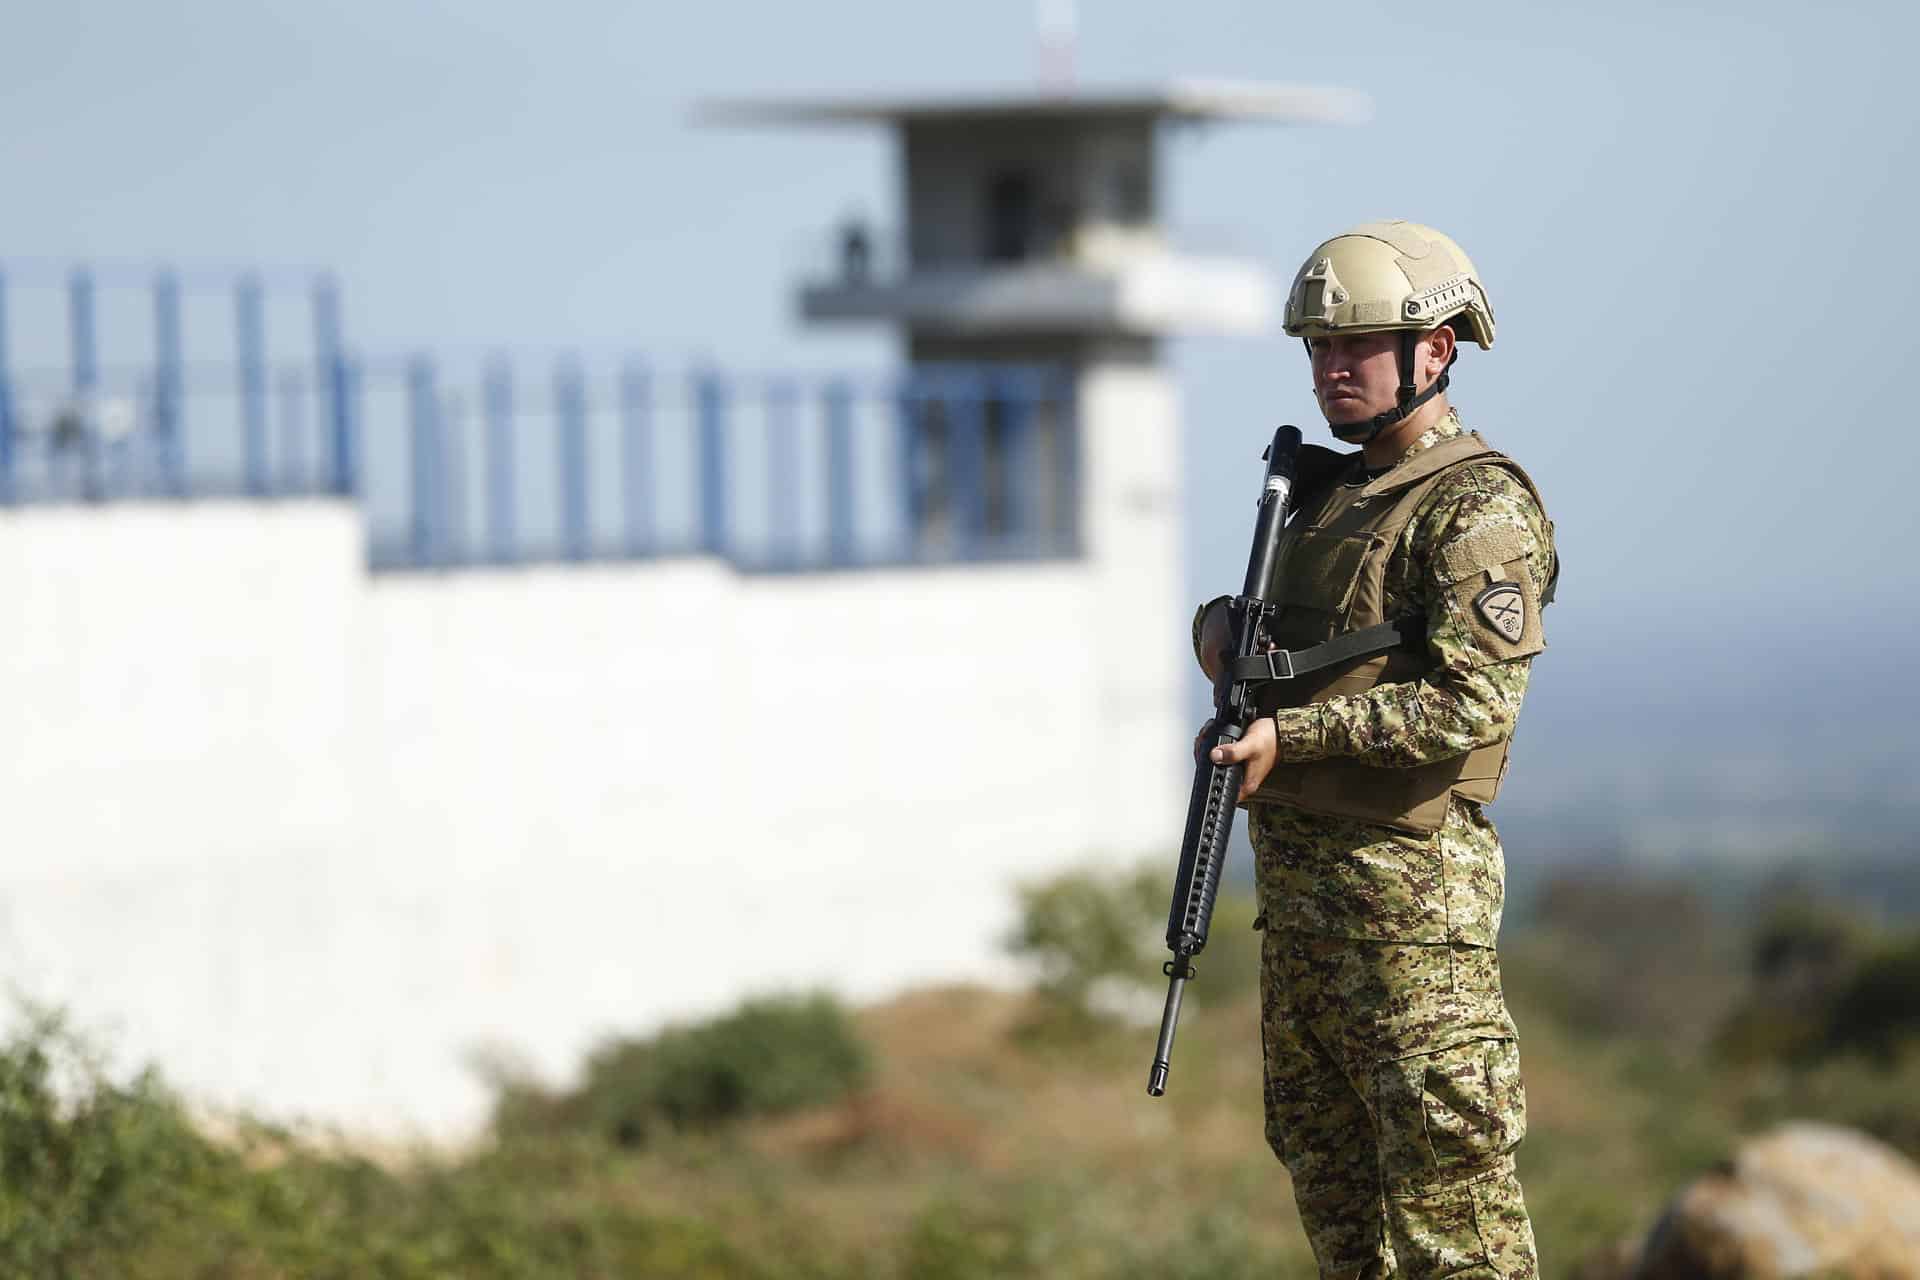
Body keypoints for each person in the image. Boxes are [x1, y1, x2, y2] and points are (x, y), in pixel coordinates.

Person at [1195, 220, 1555, 1279]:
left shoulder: (1476, 507)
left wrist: (1291, 732)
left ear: (1434, 350)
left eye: (1355, 344)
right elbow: (1286, 640)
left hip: (1411, 931)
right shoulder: (1322, 498)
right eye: (1319, 347)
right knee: (1340, 1222)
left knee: (1456, 1232)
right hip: (1305, 928)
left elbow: (1471, 704)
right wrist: (1220, 634)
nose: (1331, 368)